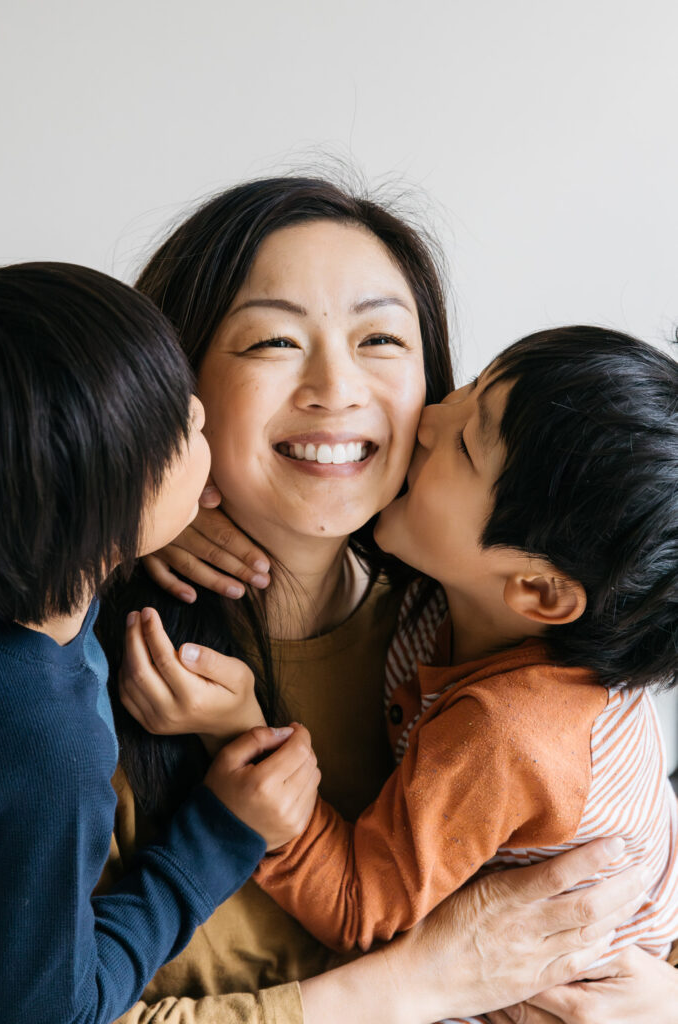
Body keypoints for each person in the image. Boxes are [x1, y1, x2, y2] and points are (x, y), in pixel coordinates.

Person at [99, 178, 676, 1023]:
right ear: (172, 384)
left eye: (379, 338)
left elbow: (637, 867)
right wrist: (420, 983)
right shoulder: (83, 667)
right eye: (273, 341)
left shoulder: (502, 648)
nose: (336, 388)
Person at [0, 262, 322, 1023]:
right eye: (176, 430)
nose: (198, 410)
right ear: (92, 504)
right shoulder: (40, 739)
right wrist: (220, 837)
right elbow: (50, 1014)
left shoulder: (6, 585)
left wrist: (131, 535)